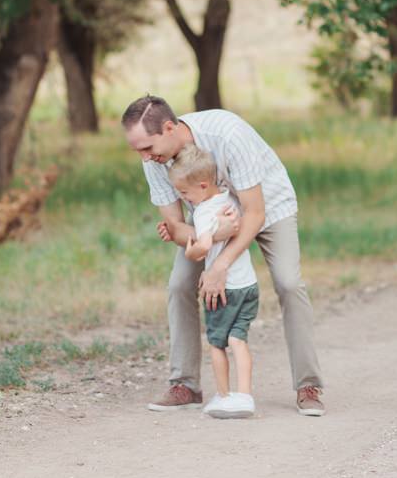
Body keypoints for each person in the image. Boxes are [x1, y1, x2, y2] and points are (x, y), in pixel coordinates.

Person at [122, 95, 325, 416]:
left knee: (288, 283)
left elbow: (254, 213)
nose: (145, 158)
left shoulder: (227, 134)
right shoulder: (155, 162)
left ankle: (308, 385)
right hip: (210, 223)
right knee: (178, 285)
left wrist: (220, 265)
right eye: (138, 151)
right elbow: (177, 230)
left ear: (170, 127)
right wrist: (207, 237)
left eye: (148, 148)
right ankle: (185, 384)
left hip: (268, 209)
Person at [168, 144, 258, 419]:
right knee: (239, 339)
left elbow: (199, 249)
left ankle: (223, 395)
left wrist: (190, 244)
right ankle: (245, 396)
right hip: (248, 285)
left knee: (218, 343)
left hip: (223, 290)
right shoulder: (230, 199)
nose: (183, 198)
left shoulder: (206, 213)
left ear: (203, 186)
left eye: (184, 193)